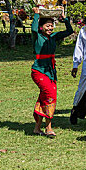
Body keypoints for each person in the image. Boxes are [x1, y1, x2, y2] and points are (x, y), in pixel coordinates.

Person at [31, 7, 74, 137]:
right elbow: (33, 28)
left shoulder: (54, 37)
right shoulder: (37, 37)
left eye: (52, 26)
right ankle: (48, 127)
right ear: (41, 27)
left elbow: (70, 31)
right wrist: (36, 15)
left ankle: (37, 128)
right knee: (50, 95)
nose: (50, 28)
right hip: (39, 71)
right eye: (47, 26)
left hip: (51, 72)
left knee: (43, 97)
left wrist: (64, 18)